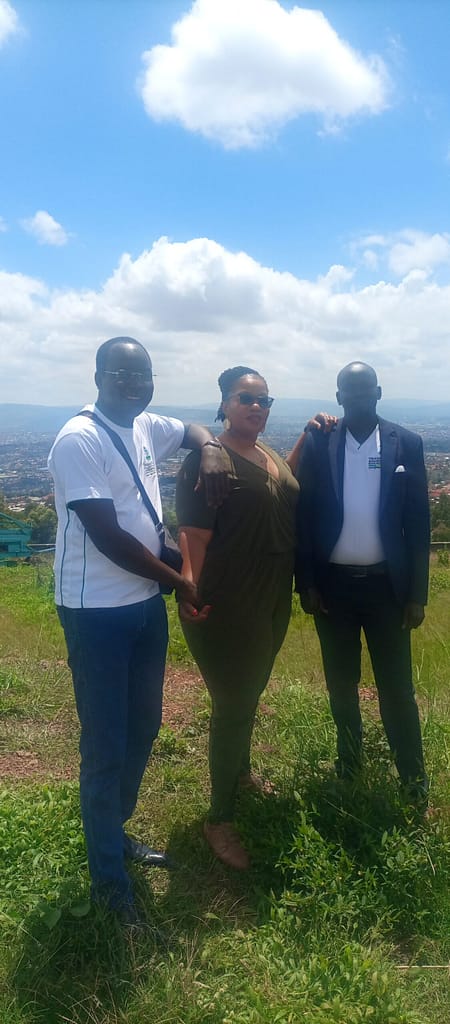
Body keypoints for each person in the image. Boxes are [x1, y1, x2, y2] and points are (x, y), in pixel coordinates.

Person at [48, 336, 228, 923]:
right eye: (121, 374)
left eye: (142, 374)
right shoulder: (79, 439)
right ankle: (109, 883)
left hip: (144, 604)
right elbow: (109, 537)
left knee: (144, 726)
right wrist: (181, 582)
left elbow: (194, 429)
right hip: (96, 611)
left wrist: (211, 449)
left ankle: (114, 834)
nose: (134, 384)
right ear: (98, 376)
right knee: (105, 744)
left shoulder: (146, 425)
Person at [176, 366, 330, 870]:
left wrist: (307, 436)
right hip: (229, 600)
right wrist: (188, 587)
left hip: (271, 596)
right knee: (233, 704)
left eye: (265, 400)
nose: (257, 407)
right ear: (224, 402)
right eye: (246, 398)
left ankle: (239, 774)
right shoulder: (208, 460)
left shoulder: (264, 453)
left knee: (249, 693)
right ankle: (219, 818)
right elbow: (193, 534)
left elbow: (278, 488)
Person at [295, 361, 430, 804]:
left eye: (365, 389)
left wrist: (417, 594)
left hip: (387, 589)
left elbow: (418, 524)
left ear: (378, 392)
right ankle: (349, 764)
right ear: (338, 398)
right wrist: (306, 582)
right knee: (341, 684)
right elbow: (304, 515)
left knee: (397, 689)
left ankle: (412, 778)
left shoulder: (406, 443)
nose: (357, 398)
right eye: (349, 392)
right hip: (333, 588)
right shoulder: (320, 442)